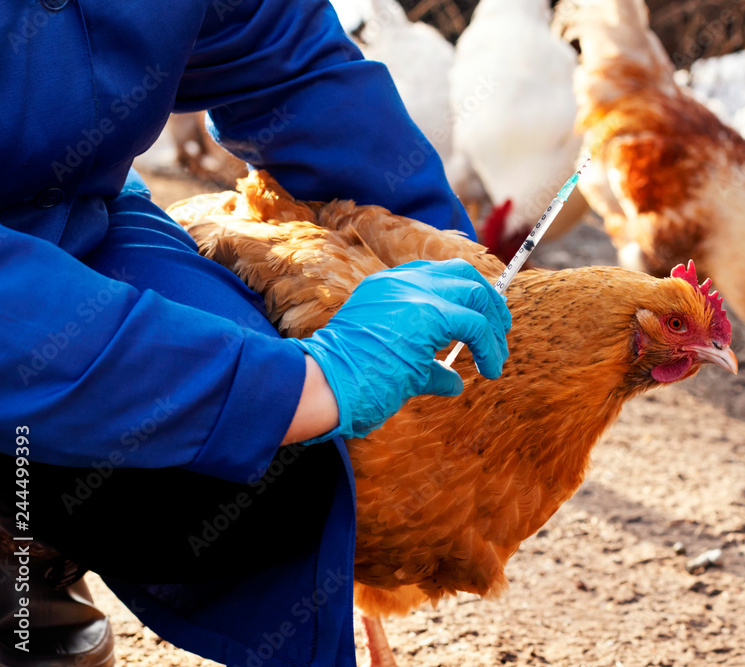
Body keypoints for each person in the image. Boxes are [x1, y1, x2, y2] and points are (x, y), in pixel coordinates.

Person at [0, 1, 511, 665]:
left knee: (275, 462)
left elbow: (290, 68)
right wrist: (304, 382)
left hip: (75, 218)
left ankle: (25, 543)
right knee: (265, 406)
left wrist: (447, 263)